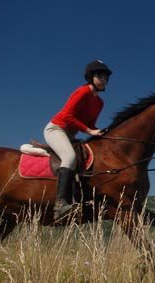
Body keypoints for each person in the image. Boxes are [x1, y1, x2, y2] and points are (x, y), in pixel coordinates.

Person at [44, 60, 111, 219]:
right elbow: (67, 115)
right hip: (56, 129)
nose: (103, 79)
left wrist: (99, 131)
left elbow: (90, 124)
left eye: (105, 77)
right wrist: (89, 130)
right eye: (99, 76)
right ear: (90, 77)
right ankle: (60, 204)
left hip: (70, 135)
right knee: (70, 157)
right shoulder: (83, 91)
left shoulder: (100, 102)